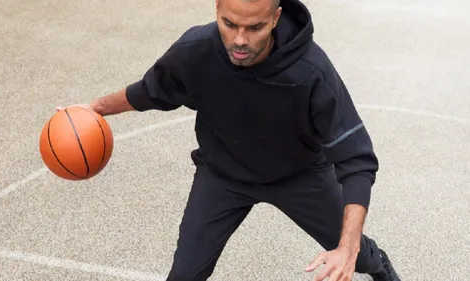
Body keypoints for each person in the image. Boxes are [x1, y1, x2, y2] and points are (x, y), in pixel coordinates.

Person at [57, 0, 402, 280]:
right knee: (185, 274)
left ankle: (380, 268)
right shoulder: (195, 50)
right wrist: (94, 108)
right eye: (229, 23)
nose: (240, 39)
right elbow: (149, 92)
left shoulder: (311, 71)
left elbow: (356, 160)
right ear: (217, 9)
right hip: (223, 174)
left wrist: (348, 247)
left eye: (255, 27)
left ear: (276, 17)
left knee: (354, 254)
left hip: (299, 175)